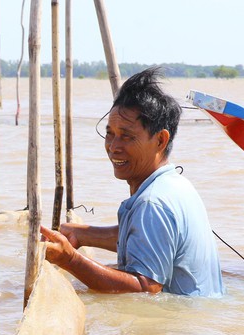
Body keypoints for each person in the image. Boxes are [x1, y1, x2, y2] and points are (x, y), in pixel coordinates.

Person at [41, 67, 224, 297]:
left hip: (177, 324)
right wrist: (83, 235)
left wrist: (70, 260)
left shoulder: (152, 203)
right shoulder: (176, 185)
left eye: (127, 136)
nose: (114, 146)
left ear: (160, 140)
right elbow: (144, 238)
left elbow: (145, 289)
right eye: (110, 133)